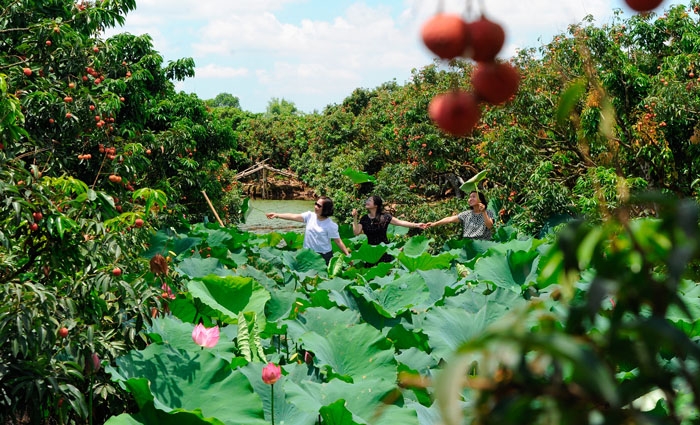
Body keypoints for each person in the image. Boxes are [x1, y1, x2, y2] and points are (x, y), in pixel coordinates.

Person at [266, 196, 350, 264]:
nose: (316, 207)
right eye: (315, 204)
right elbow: (293, 216)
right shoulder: (309, 216)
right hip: (307, 253)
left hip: (323, 256)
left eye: (319, 206)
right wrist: (277, 215)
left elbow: (338, 241)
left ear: (326, 209)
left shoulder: (330, 225)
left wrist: (348, 255)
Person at [352, 196, 426, 263]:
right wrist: (355, 217)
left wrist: (417, 225)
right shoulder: (364, 218)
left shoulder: (385, 217)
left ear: (376, 205)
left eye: (370, 200)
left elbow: (400, 222)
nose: (367, 202)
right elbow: (356, 232)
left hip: (384, 251)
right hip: (371, 253)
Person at [427, 191, 495, 240]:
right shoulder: (466, 214)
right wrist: (434, 224)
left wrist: (483, 212)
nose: (470, 199)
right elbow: (449, 219)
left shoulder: (488, 212)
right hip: (468, 243)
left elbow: (489, 226)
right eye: (469, 197)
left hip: (483, 244)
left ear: (481, 199)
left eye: (473, 197)